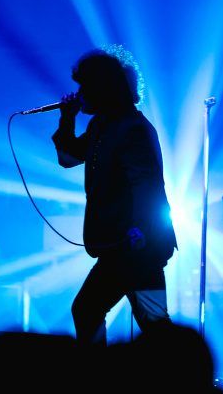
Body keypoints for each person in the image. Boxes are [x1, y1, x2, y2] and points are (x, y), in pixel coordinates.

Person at [51, 45, 177, 345]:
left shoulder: (132, 128)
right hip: (120, 245)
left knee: (95, 310)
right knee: (148, 321)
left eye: (84, 86)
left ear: (101, 87)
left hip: (136, 244)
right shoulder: (102, 125)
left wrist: (140, 229)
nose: (79, 93)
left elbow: (146, 185)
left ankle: (183, 367)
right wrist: (67, 118)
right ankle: (183, 366)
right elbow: (68, 158)